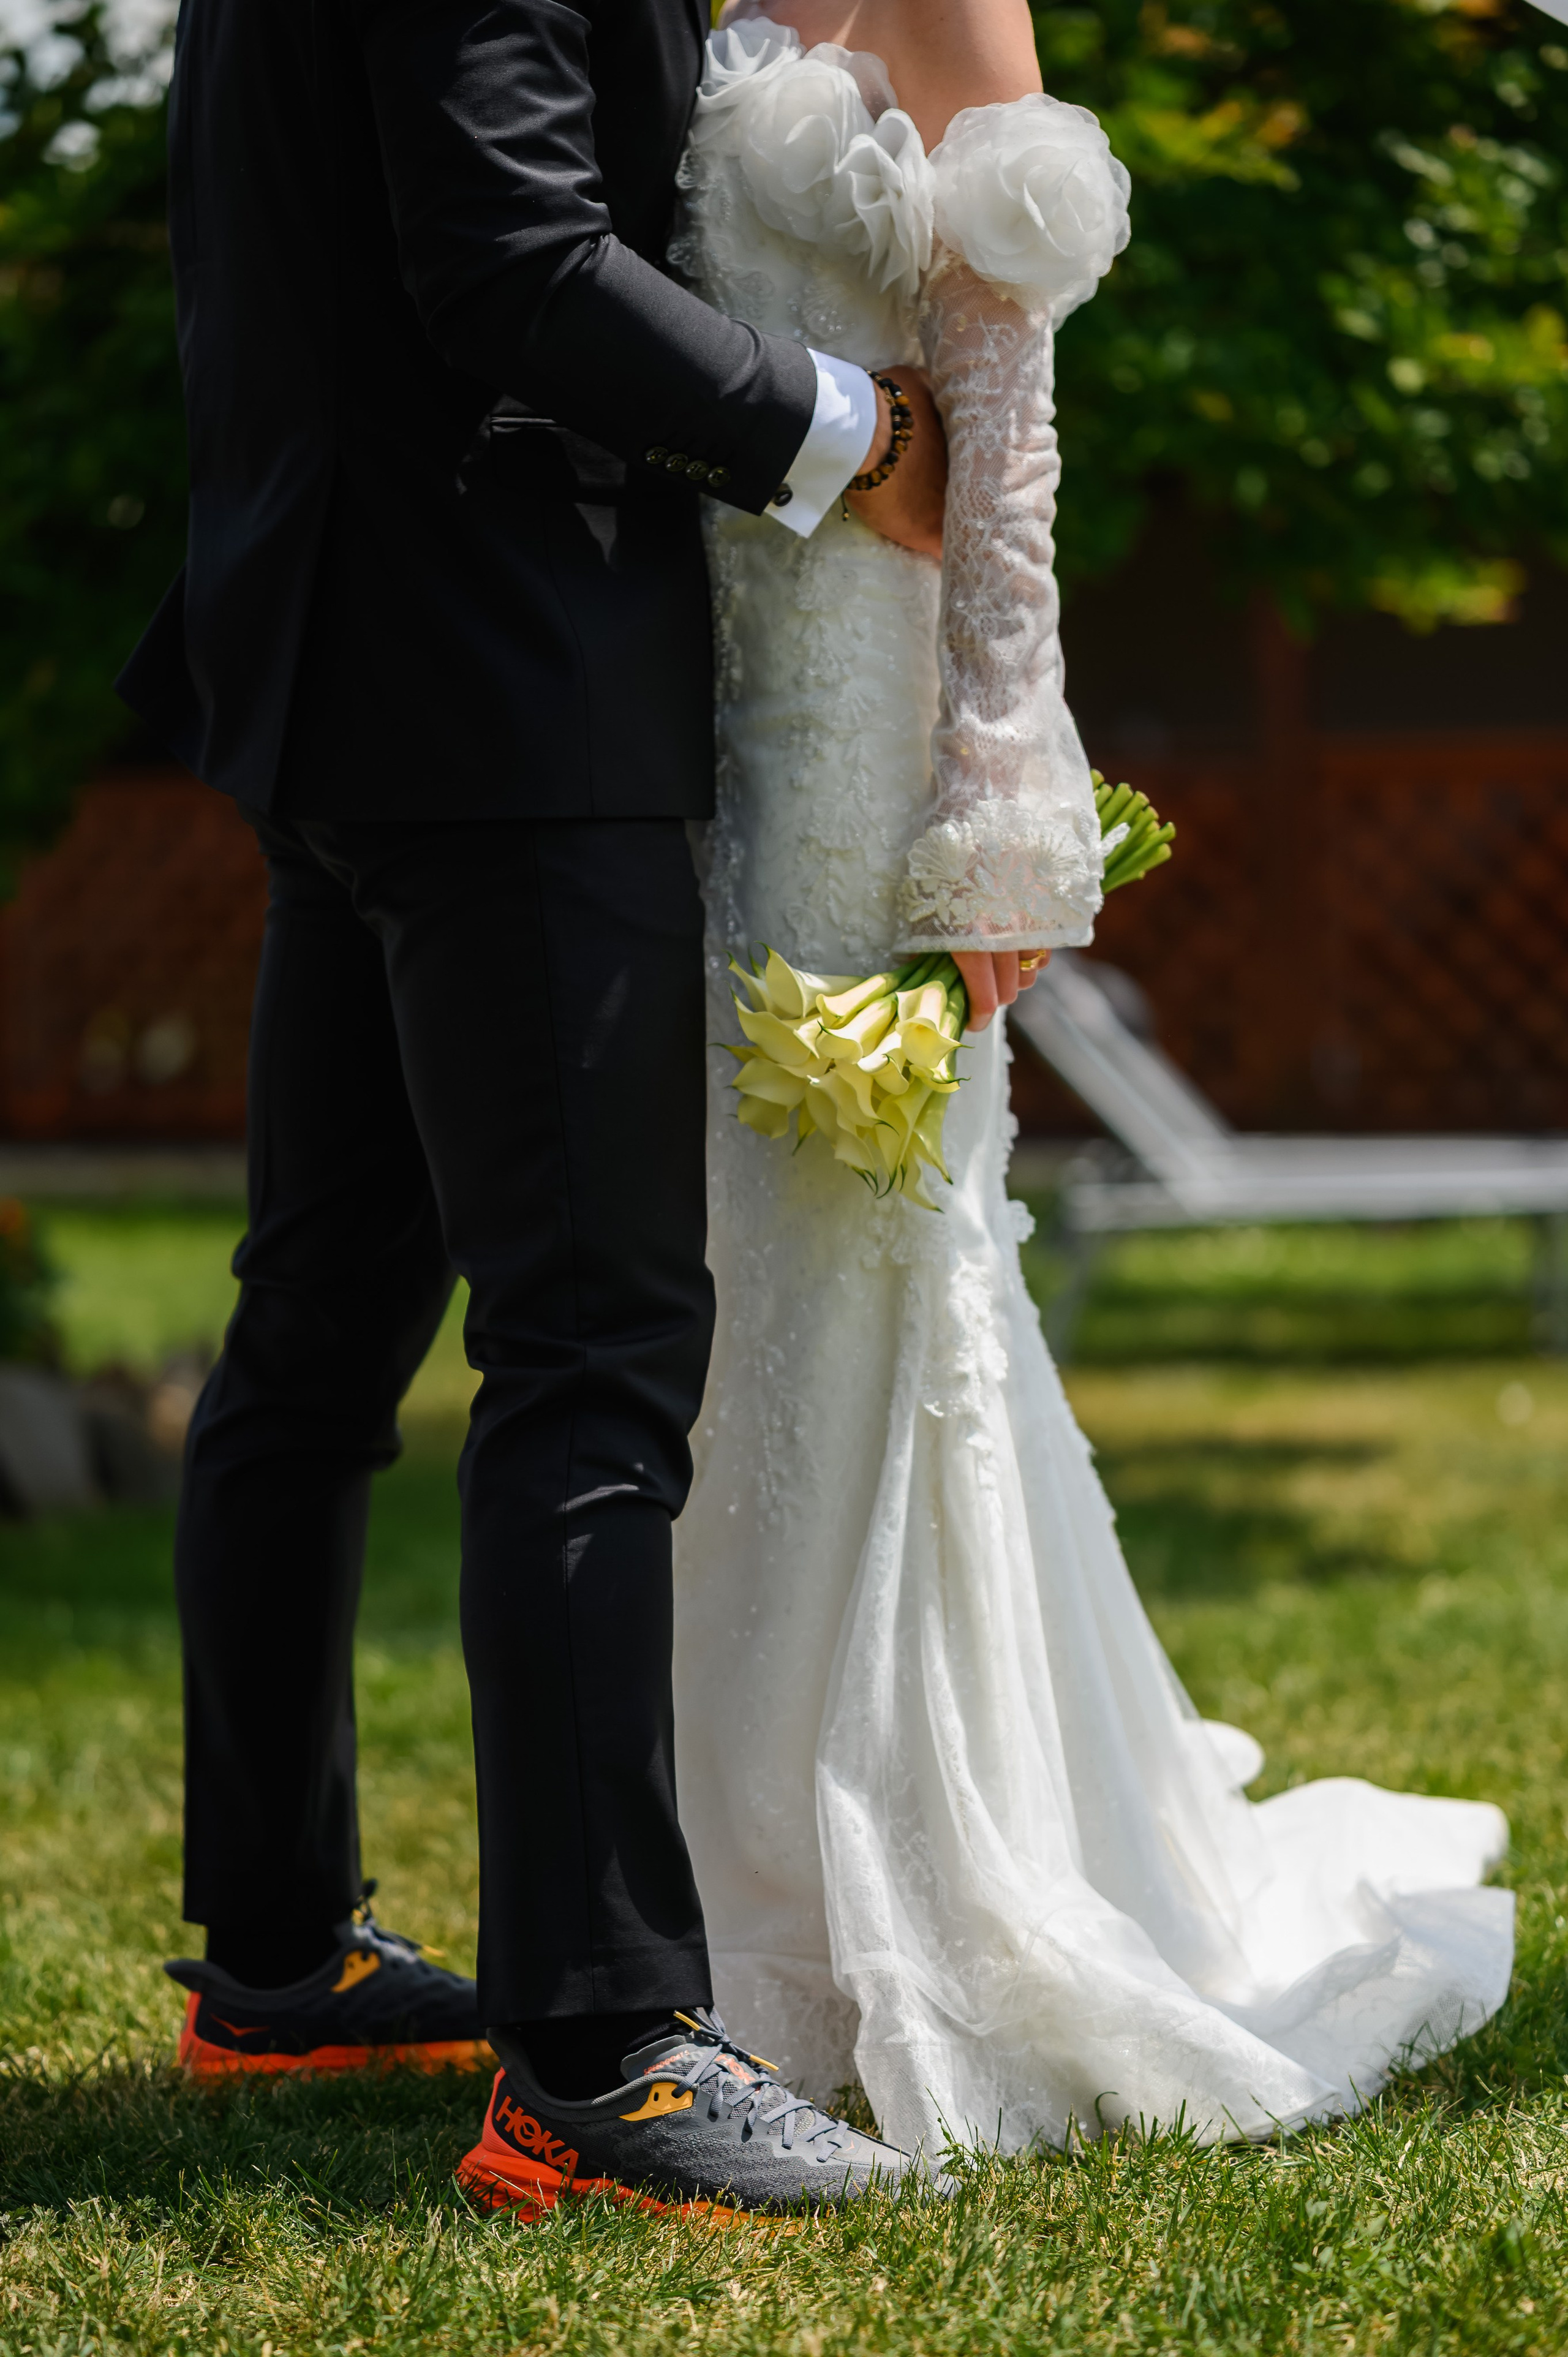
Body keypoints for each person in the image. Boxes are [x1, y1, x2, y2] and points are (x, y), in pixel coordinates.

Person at [117, 0, 954, 2218]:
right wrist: (849, 426)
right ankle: (597, 2057)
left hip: (332, 664)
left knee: (307, 1340)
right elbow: (511, 256)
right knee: (589, 1349)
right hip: (506, 675)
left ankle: (278, 1958)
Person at [671, 0, 1517, 2155]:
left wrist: (1002, 779)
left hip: (867, 734)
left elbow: (1007, 428)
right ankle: (681, 1917)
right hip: (681, 732)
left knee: (867, 1275)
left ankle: (891, 1901)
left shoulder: (947, 4)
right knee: (695, 1314)